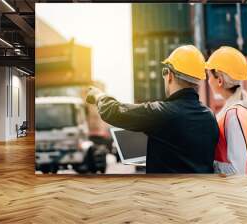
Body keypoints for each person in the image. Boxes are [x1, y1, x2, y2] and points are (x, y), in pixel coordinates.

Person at [86, 45, 219, 173]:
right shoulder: (210, 117)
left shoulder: (162, 113)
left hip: (167, 195)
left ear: (169, 75)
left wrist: (99, 96)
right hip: (201, 194)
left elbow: (113, 112)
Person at [205, 46, 247, 176]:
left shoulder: (234, 116)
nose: (208, 81)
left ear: (219, 80)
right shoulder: (238, 106)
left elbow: (238, 171)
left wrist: (205, 163)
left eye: (209, 76)